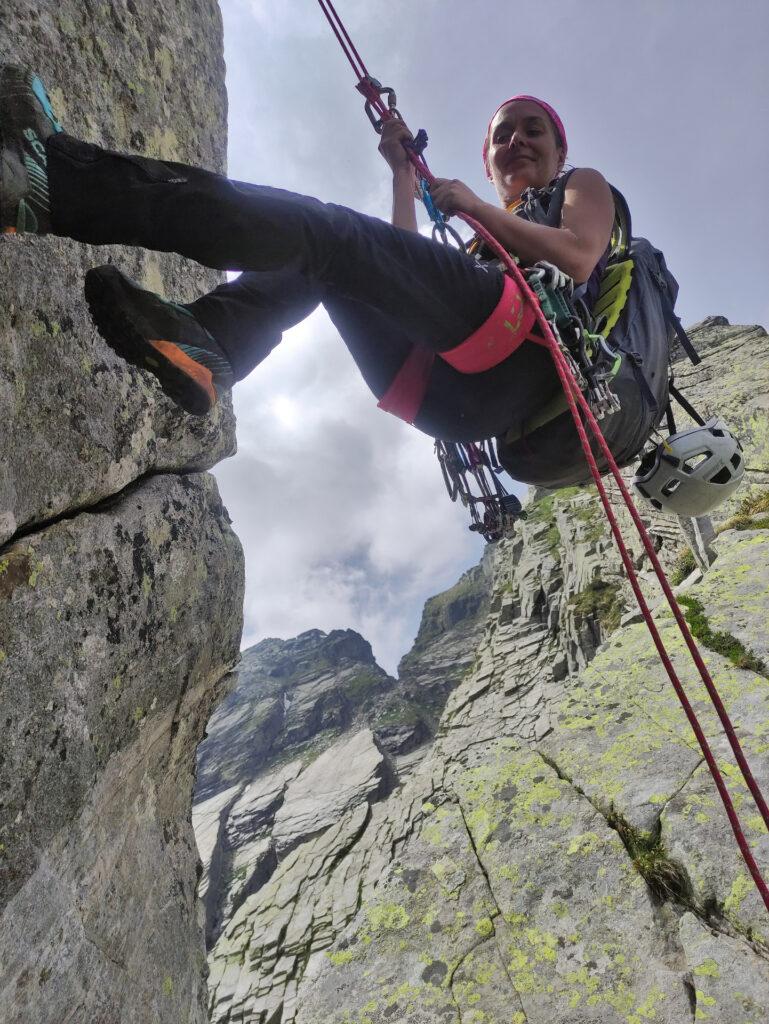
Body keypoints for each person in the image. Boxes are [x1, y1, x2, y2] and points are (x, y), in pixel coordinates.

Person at [2, 64, 648, 488]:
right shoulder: (491, 246)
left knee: (323, 231)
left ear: (559, 151)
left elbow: (578, 255)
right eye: (502, 135)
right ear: (486, 159)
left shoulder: (578, 184)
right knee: (331, 259)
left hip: (533, 358)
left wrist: (476, 209)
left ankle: (54, 183)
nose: (517, 142)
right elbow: (391, 267)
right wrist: (401, 172)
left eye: (532, 131)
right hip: (457, 403)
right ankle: (214, 342)